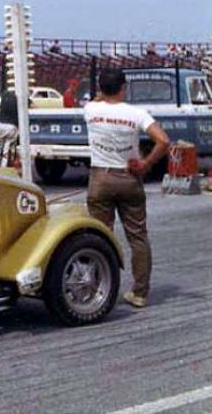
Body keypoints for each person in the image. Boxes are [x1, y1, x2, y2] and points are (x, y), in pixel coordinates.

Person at [84, 68, 169, 309]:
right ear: (124, 87)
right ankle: (140, 292)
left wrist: (103, 93)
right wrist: (146, 163)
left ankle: (99, 288)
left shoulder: (90, 110)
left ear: (101, 88)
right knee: (138, 237)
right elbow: (163, 140)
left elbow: (97, 99)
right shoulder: (136, 113)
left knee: (100, 236)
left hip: (100, 177)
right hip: (128, 177)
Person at [0, 90, 19, 167]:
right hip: (11, 126)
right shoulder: (16, 101)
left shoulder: (1, 101)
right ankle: (5, 165)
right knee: (8, 147)